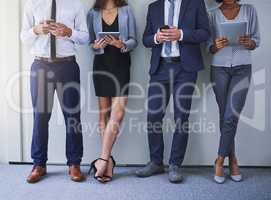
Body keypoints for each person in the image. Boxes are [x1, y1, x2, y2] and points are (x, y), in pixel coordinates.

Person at [135, 0, 210, 183]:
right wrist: (156, 38)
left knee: (181, 117)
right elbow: (145, 39)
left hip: (185, 69)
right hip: (160, 68)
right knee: (153, 116)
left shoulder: (195, 3)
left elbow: (205, 33)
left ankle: (175, 164)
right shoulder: (154, 7)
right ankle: (156, 162)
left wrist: (181, 34)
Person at [21, 0, 89, 183]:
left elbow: (85, 37)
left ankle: (74, 163)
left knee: (72, 116)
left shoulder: (76, 4)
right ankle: (39, 164)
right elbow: (23, 37)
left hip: (67, 65)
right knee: (40, 116)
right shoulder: (32, 3)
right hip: (40, 65)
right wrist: (36, 30)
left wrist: (69, 32)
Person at [207, 0, 260, 184]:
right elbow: (209, 47)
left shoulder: (249, 10)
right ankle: (234, 160)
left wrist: (249, 42)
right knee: (225, 116)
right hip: (219, 68)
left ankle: (220, 160)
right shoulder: (212, 14)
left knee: (231, 115)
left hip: (242, 68)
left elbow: (256, 41)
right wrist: (216, 45)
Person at [87, 0, 137, 183]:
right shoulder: (92, 12)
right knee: (104, 116)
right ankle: (108, 162)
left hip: (121, 65)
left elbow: (134, 40)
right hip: (101, 66)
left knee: (118, 114)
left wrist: (121, 44)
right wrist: (96, 46)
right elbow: (90, 43)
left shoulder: (126, 10)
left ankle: (102, 160)